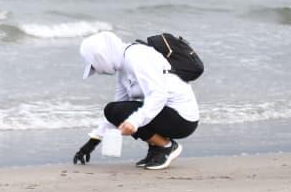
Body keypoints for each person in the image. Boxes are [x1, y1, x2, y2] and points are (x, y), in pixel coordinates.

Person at [73, 30, 199, 171]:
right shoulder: (124, 65)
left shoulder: (137, 57)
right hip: (167, 115)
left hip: (182, 120)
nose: (97, 71)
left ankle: (166, 147)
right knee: (115, 109)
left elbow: (159, 95)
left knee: (119, 111)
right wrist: (92, 143)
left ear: (100, 57)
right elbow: (116, 110)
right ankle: (156, 148)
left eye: (94, 66)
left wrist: (134, 122)